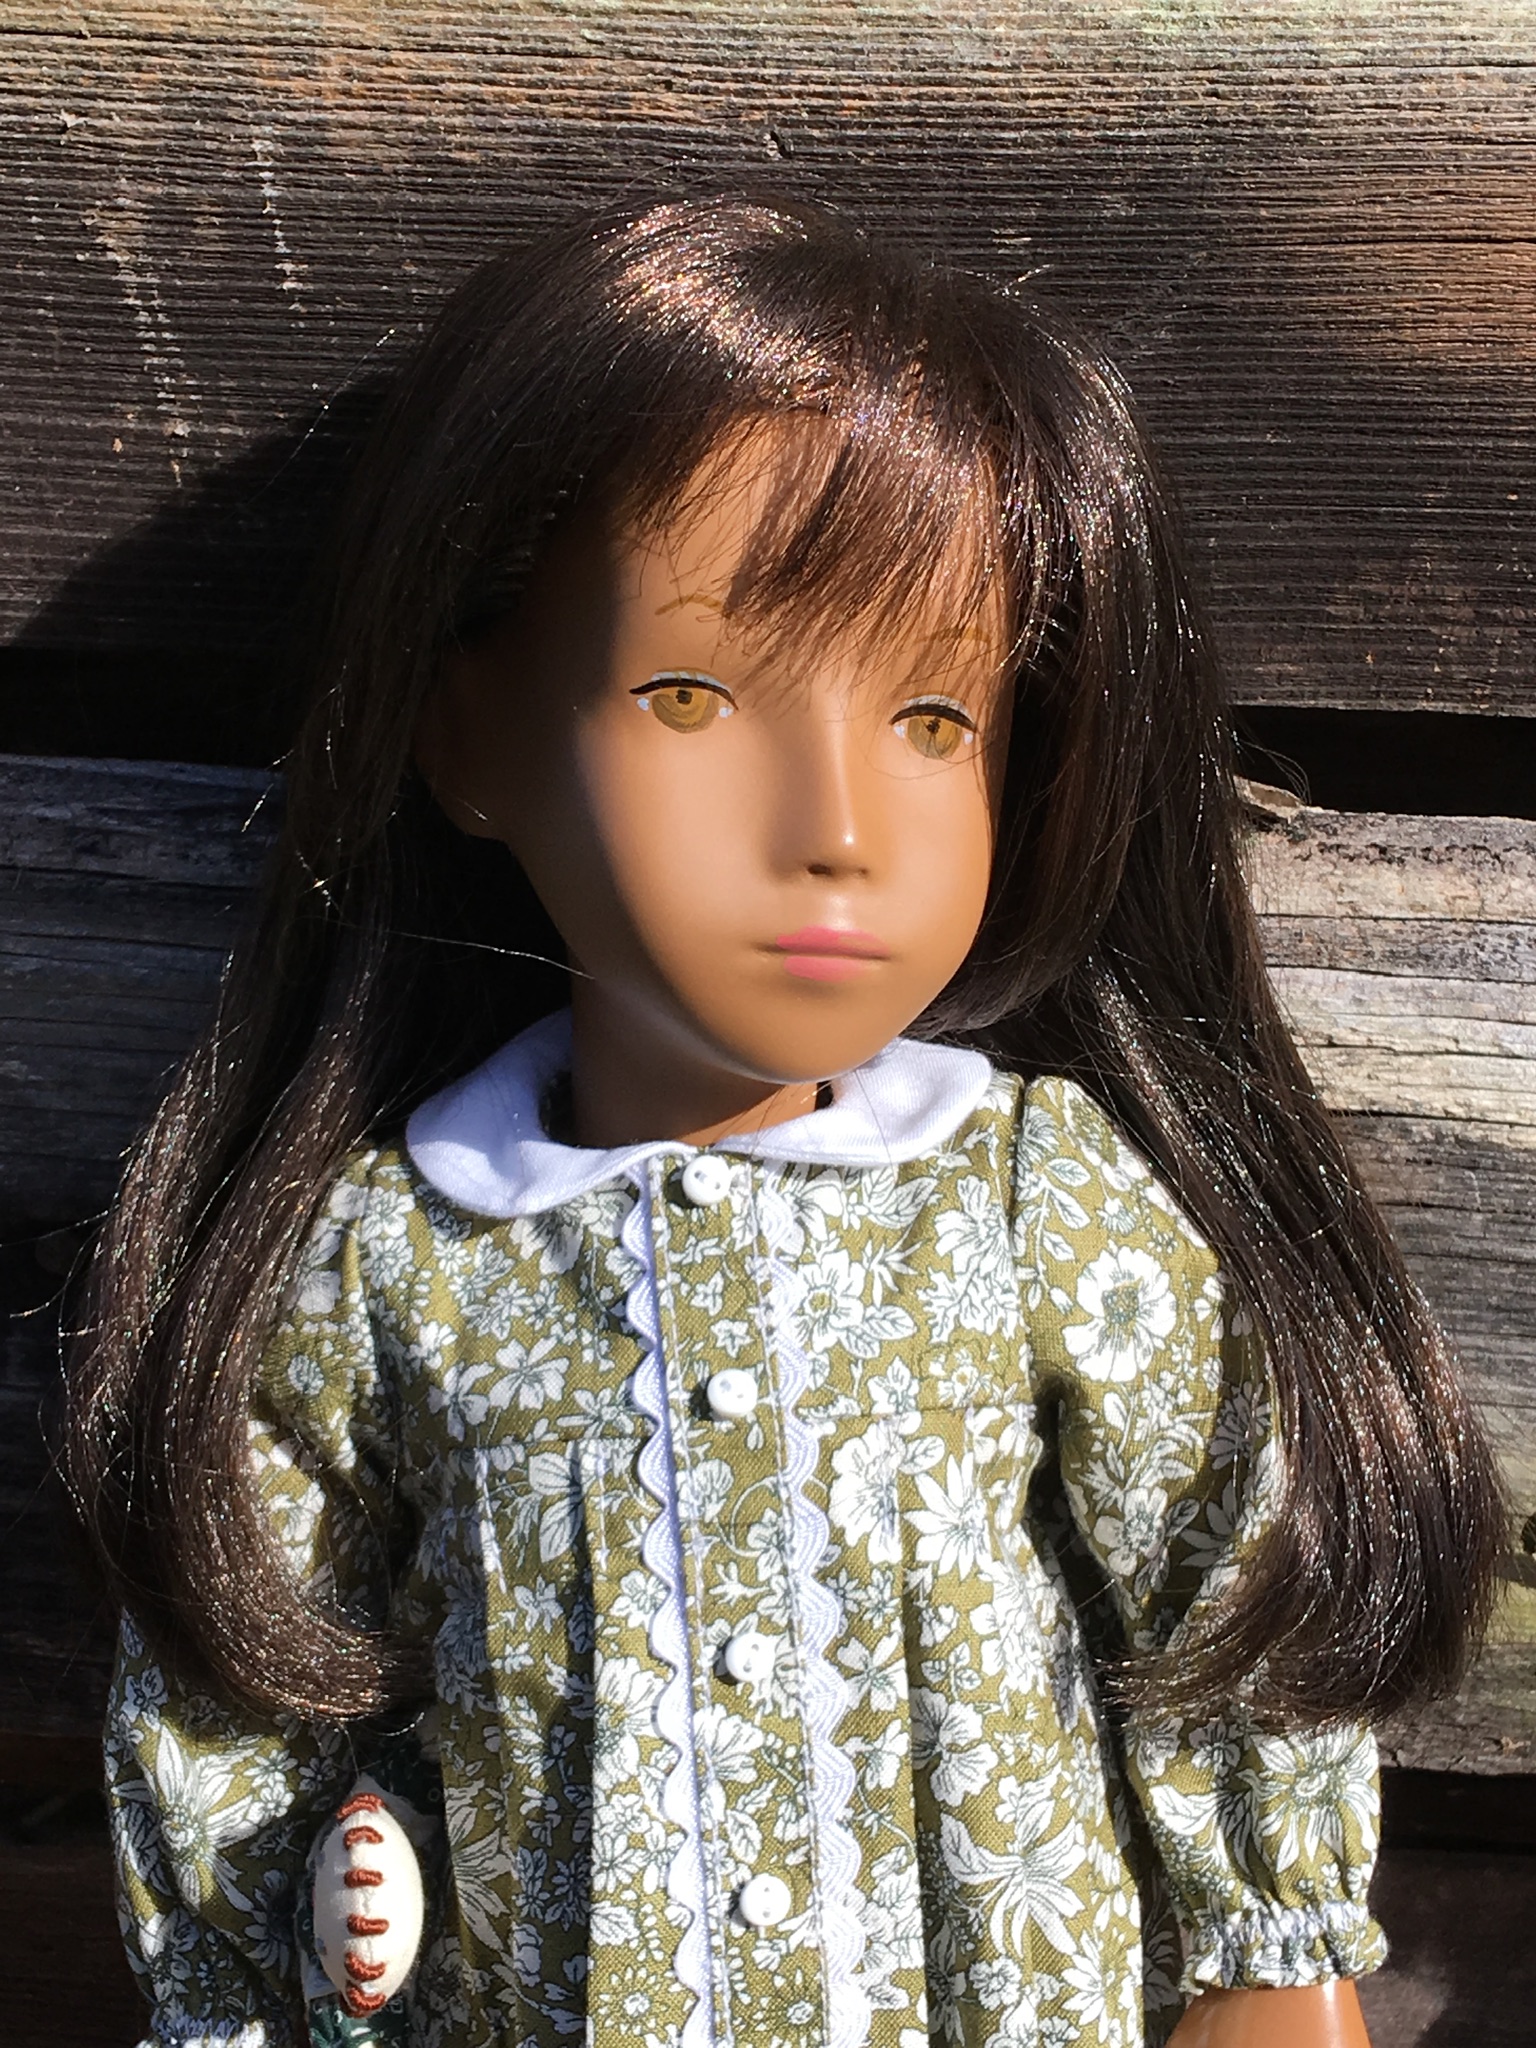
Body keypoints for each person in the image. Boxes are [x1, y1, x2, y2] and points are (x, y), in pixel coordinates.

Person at [69, 193, 1503, 2048]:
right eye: (691, 695)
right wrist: (298, 1922)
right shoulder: (384, 1268)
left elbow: (1222, 1580)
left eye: (933, 723)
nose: (835, 824)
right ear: (466, 735)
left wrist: (1273, 1966)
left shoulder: (1035, 1208)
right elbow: (244, 1690)